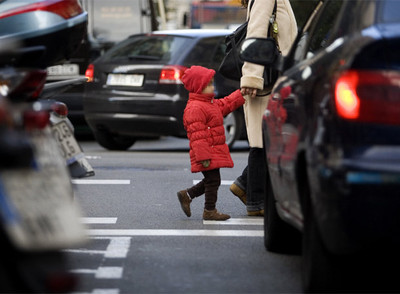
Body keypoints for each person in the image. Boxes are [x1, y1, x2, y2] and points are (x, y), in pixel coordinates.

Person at [230, 0, 297, 216]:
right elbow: (257, 34)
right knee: (263, 141)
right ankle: (256, 200)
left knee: (269, 140)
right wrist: (251, 77)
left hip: (274, 79)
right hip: (267, 81)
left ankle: (244, 185)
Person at [177, 65, 245, 221]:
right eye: (208, 84)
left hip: (211, 151)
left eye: (212, 83)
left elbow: (226, 104)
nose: (212, 87)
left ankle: (187, 195)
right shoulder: (195, 108)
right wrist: (203, 156)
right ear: (198, 87)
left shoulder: (209, 103)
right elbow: (197, 136)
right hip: (206, 153)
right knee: (214, 180)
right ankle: (209, 210)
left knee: (211, 180)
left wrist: (241, 94)